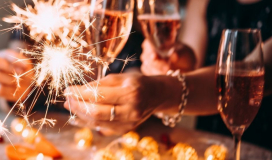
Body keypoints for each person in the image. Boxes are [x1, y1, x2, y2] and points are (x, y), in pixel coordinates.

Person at [64, 0, 272, 149]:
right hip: (211, 144)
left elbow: (251, 76)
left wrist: (160, 90)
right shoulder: (202, 3)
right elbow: (191, 66)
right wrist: (175, 65)